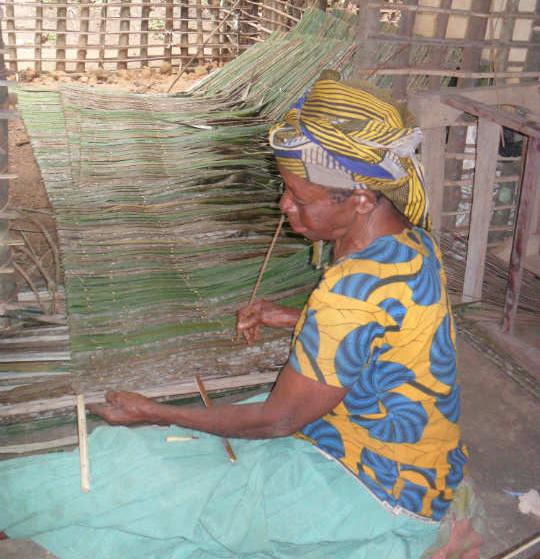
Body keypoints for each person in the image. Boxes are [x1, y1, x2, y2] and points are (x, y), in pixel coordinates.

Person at [0, 70, 469, 559]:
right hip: (422, 468)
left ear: (361, 198)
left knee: (160, 479)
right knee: (157, 470)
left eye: (300, 198)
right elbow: (381, 333)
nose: (284, 204)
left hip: (370, 490)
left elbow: (276, 420)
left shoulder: (348, 292)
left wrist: (153, 412)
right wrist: (289, 316)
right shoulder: (411, 242)